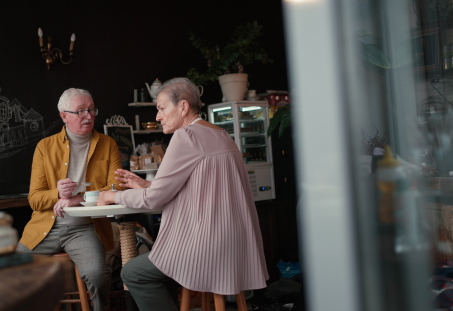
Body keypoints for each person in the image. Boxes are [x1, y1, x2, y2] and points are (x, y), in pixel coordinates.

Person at [98, 77, 269, 310]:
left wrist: (111, 196)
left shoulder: (185, 136)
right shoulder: (221, 134)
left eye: (161, 108)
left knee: (133, 272)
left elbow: (153, 201)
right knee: (154, 271)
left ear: (183, 107)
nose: (157, 116)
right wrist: (146, 185)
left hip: (207, 246)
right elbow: (196, 188)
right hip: (236, 244)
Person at [17, 88, 122, 311]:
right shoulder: (45, 147)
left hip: (85, 227)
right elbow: (34, 199)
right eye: (81, 111)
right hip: (47, 226)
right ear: (64, 115)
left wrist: (77, 199)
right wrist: (57, 193)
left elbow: (116, 187)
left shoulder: (108, 143)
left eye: (92, 109)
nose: (89, 115)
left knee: (97, 275)